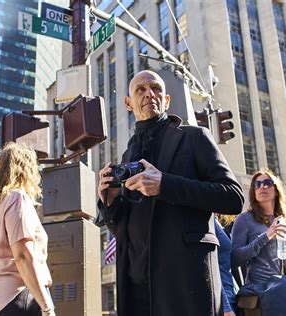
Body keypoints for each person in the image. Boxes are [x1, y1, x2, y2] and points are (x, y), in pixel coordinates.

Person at [95, 70, 244, 316]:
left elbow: (233, 197)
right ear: (128, 103)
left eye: (155, 88)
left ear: (166, 100)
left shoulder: (194, 138)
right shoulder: (127, 157)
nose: (149, 94)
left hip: (184, 283)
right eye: (140, 90)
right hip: (138, 285)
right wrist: (109, 203)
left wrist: (165, 184)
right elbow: (126, 229)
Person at [0, 143, 55, 316]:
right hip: (14, 297)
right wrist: (47, 308)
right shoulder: (17, 199)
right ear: (26, 170)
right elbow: (22, 255)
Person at [231, 169, 286, 315]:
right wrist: (265, 236)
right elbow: (234, 258)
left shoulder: (283, 222)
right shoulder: (245, 219)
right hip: (259, 293)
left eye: (267, 183)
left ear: (276, 190)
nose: (262, 187)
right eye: (257, 184)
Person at [215, 214, 238, 316]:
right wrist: (225, 306)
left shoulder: (217, 222)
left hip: (230, 297)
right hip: (221, 303)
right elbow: (211, 268)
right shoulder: (207, 221)